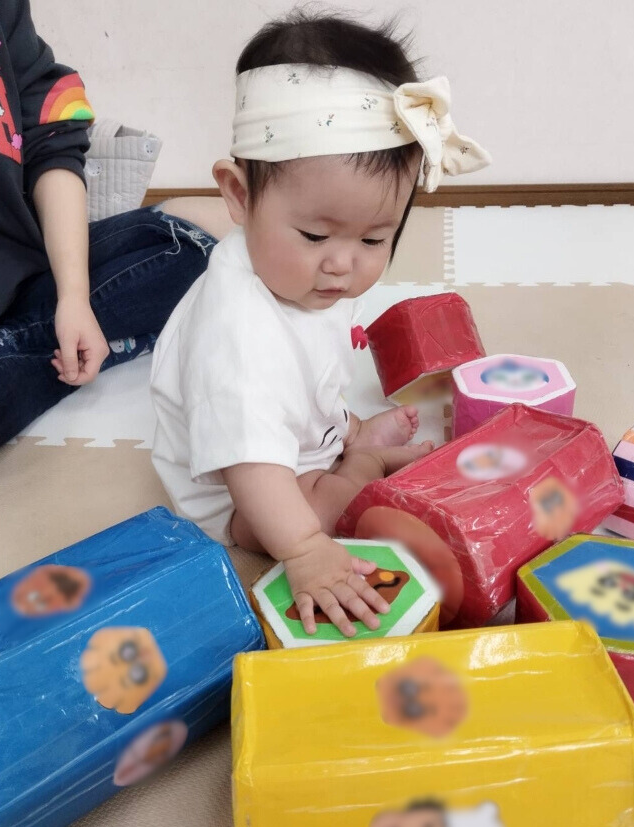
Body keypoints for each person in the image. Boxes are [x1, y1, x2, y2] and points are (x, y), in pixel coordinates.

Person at [150, 11, 490, 636]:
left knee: (324, 401)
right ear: (239, 195)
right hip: (238, 493)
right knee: (335, 511)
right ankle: (363, 462)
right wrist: (306, 551)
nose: (342, 264)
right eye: (314, 235)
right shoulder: (237, 337)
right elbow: (252, 466)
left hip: (293, 428)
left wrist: (338, 417)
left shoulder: (297, 273)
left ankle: (348, 436)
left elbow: (309, 370)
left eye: (374, 238)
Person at [0, 0, 214, 457]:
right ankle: (55, 347)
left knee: (199, 244)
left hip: (23, 276)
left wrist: (73, 296)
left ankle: (28, 344)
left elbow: (51, 137)